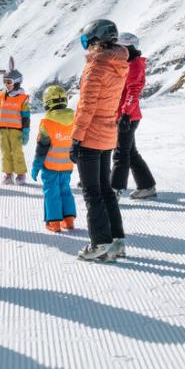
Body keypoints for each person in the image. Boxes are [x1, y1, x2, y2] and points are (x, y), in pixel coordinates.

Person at [69, 19, 129, 262]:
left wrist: (76, 138)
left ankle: (99, 243)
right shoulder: (118, 63)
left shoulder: (96, 66)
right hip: (107, 133)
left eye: (87, 41)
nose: (86, 47)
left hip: (91, 135)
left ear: (95, 40)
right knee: (105, 191)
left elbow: (86, 105)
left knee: (92, 193)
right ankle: (117, 242)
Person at [110, 33, 157, 200]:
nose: (116, 51)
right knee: (130, 152)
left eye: (119, 47)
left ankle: (115, 190)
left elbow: (133, 91)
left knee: (121, 153)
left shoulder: (135, 65)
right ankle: (146, 186)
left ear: (128, 48)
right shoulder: (128, 63)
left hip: (128, 117)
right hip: (124, 115)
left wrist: (125, 114)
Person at [31, 84, 77, 232]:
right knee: (65, 190)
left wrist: (36, 166)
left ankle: (54, 223)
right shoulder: (75, 119)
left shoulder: (47, 122)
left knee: (51, 192)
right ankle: (68, 221)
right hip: (67, 165)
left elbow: (42, 148)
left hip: (50, 166)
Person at [0, 58, 30, 185]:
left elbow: (26, 116)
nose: (6, 84)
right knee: (5, 152)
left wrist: (25, 130)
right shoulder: (2, 96)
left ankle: (20, 174)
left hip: (16, 130)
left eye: (9, 81)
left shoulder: (22, 98)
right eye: (5, 81)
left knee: (17, 152)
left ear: (17, 82)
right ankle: (8, 175)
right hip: (3, 130)